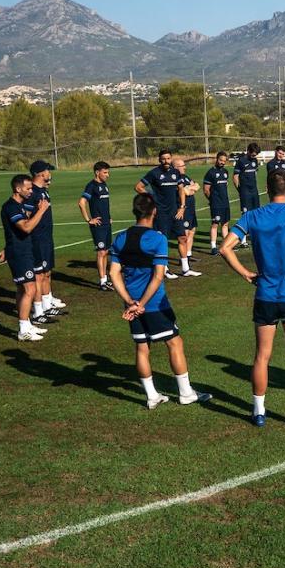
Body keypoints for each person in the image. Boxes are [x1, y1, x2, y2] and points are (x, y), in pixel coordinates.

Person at [220, 170, 285, 428]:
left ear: (266, 189)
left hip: (265, 293)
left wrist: (246, 274)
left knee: (261, 357)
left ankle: (258, 413)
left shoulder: (252, 216)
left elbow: (225, 248)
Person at [109, 194, 211, 410]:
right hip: (154, 304)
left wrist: (130, 302)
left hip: (131, 304)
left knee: (142, 348)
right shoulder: (157, 239)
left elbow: (114, 273)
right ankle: (185, 393)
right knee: (174, 343)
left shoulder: (120, 238)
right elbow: (158, 276)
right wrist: (142, 303)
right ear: (154, 212)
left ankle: (152, 396)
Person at [0, 174, 49, 341]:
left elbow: (14, 232)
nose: (30, 191)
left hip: (23, 250)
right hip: (19, 253)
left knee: (22, 289)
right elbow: (26, 228)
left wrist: (6, 247)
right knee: (30, 289)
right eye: (28, 188)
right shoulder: (11, 207)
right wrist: (41, 210)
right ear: (17, 189)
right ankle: (23, 330)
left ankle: (26, 324)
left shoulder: (19, 206)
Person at [25, 160, 66, 322]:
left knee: (47, 271)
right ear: (41, 173)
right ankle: (38, 312)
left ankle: (47, 305)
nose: (50, 173)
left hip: (46, 238)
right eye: (48, 171)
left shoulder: (43, 191)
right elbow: (26, 218)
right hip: (37, 239)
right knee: (39, 274)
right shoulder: (32, 193)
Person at [134, 150, 185, 279]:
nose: (166, 161)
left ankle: (185, 268)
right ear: (159, 160)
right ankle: (165, 268)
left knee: (182, 238)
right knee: (163, 240)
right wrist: (151, 198)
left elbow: (181, 189)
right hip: (161, 213)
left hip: (175, 211)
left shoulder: (176, 172)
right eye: (163, 159)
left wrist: (182, 207)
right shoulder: (154, 173)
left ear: (171, 159)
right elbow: (138, 187)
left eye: (168, 158)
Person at [78, 161, 113, 291]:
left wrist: (108, 217)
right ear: (97, 172)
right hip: (97, 225)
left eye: (108, 172)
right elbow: (81, 203)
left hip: (106, 224)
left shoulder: (104, 185)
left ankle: (105, 280)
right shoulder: (91, 186)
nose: (107, 175)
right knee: (101, 252)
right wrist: (88, 219)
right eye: (105, 172)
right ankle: (102, 281)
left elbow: (103, 204)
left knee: (106, 252)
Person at [174, 157, 202, 277]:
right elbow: (184, 192)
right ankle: (183, 259)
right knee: (184, 235)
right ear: (176, 167)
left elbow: (197, 186)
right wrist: (189, 189)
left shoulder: (185, 177)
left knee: (192, 231)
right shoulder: (176, 178)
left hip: (191, 209)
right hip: (183, 210)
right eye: (182, 165)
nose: (184, 167)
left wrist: (190, 188)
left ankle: (188, 254)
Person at [233, 143, 262, 247]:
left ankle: (255, 237)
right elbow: (235, 177)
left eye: (256, 155)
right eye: (253, 154)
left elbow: (255, 173)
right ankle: (243, 240)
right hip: (245, 192)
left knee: (256, 214)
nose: (254, 157)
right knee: (245, 215)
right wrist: (240, 190)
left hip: (254, 191)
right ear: (248, 151)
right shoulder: (241, 161)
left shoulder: (255, 161)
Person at [203, 151, 232, 255]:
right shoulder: (210, 172)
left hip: (225, 202)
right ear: (217, 159)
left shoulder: (225, 172)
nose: (222, 162)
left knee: (225, 224)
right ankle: (213, 247)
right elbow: (206, 189)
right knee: (215, 224)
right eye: (221, 160)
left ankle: (226, 245)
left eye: (224, 161)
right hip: (216, 203)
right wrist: (212, 200)